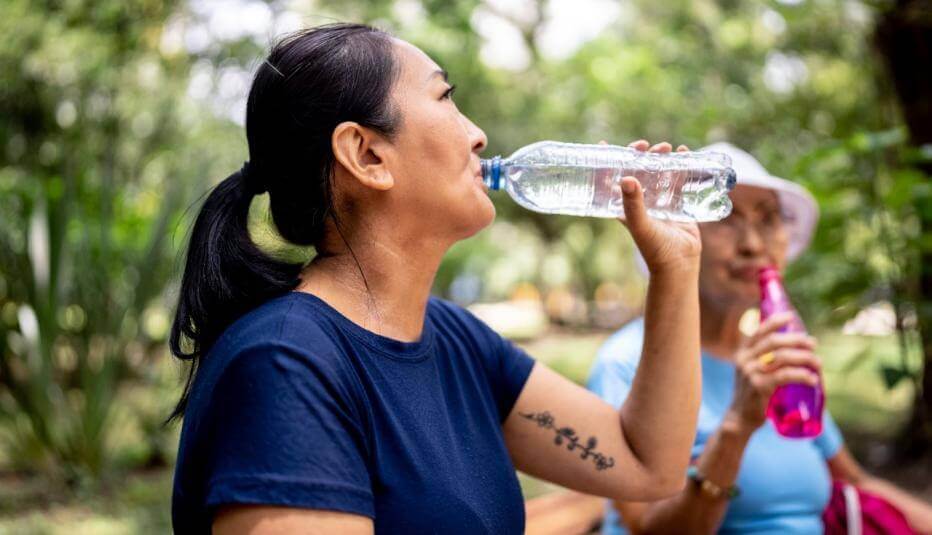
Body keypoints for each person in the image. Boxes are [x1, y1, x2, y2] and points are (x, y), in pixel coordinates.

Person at [169, 23, 707, 534]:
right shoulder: (286, 364)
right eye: (445, 98)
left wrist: (675, 270)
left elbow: (646, 465)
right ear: (368, 155)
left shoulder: (455, 341)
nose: (477, 134)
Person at [588, 142, 932, 534]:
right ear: (680, 232)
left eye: (767, 219)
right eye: (726, 217)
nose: (753, 244)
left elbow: (856, 482)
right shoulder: (627, 362)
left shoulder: (771, 355)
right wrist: (737, 425)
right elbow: (646, 527)